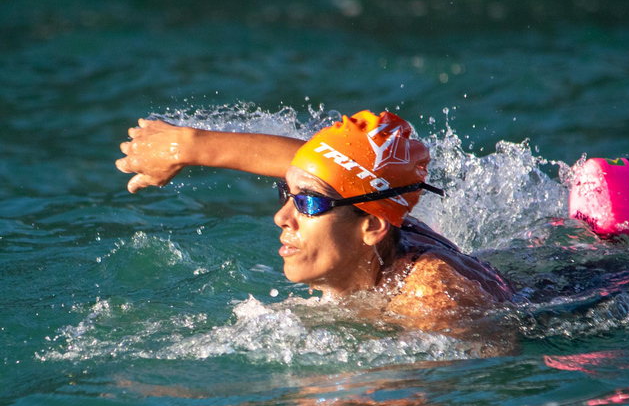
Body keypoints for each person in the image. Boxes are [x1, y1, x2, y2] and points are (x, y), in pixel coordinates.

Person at [116, 110, 516, 336]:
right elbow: (319, 170)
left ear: (372, 226)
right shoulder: (375, 214)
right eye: (286, 194)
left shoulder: (433, 299)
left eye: (307, 203)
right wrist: (188, 147)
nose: (281, 217)